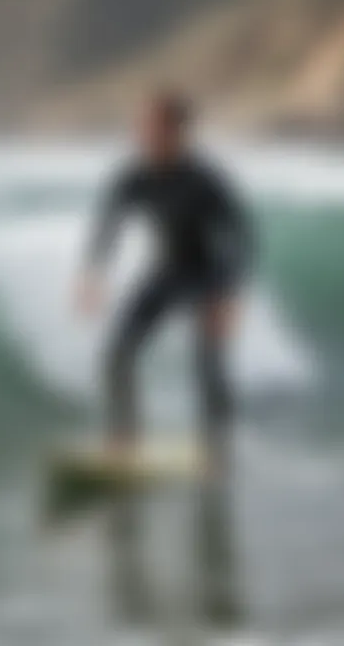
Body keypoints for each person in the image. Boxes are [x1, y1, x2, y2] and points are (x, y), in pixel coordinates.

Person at [75, 91, 252, 475]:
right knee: (117, 353)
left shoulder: (204, 179)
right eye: (141, 126)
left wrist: (230, 294)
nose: (145, 134)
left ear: (178, 131)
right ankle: (125, 441)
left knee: (208, 361)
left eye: (155, 127)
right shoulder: (133, 176)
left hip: (208, 274)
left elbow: (241, 233)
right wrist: (93, 274)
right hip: (165, 271)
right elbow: (108, 224)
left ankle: (216, 448)